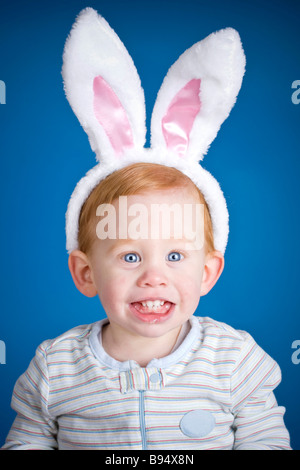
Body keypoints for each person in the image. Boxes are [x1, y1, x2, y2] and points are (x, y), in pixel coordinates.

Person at [2, 8, 291, 450]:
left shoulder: (235, 361)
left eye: (175, 257)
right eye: (130, 256)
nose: (153, 277)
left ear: (208, 272)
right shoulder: (54, 368)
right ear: (85, 273)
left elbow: (267, 442)